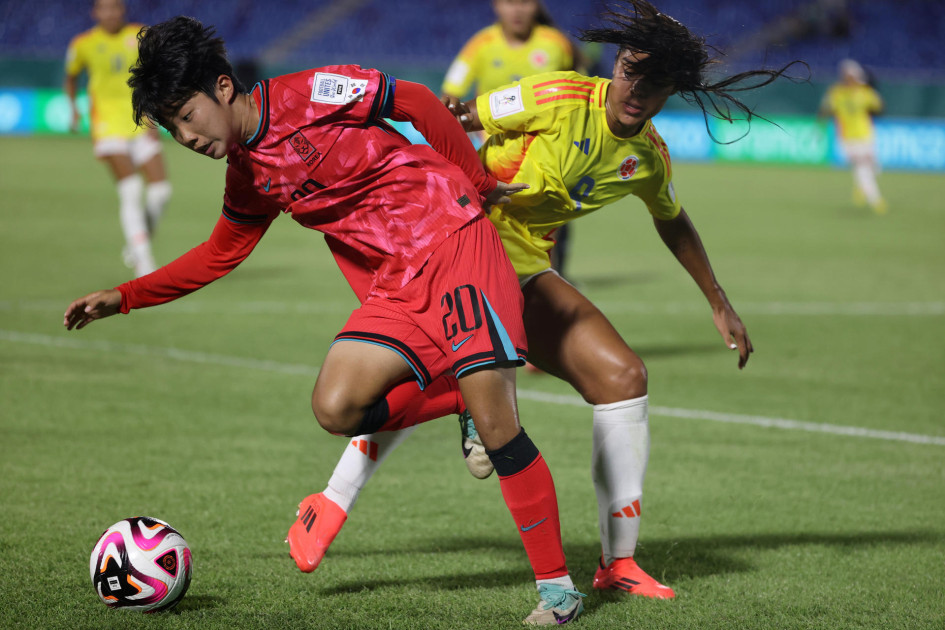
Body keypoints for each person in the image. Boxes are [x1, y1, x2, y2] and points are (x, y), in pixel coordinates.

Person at [62, 16, 584, 626]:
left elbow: (412, 100)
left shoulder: (309, 92)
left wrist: (474, 181)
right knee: (336, 407)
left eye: (187, 115)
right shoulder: (248, 176)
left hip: (452, 237)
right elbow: (218, 255)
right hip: (398, 284)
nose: (186, 136)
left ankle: (557, 591)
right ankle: (459, 395)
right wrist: (124, 296)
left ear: (223, 88)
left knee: (500, 431)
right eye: (173, 127)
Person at [303, 0, 803, 601]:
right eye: (629, 71)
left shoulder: (646, 157)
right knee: (435, 372)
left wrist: (718, 300)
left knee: (623, 377)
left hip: (522, 266)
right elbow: (466, 115)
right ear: (615, 65)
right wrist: (457, 122)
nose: (635, 89)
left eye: (654, 82)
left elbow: (671, 218)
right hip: (460, 245)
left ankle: (619, 563)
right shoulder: (559, 95)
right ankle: (332, 499)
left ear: (674, 89)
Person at [441, 0, 579, 276]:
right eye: (509, 3)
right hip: (492, 150)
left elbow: (577, 93)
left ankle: (555, 278)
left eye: (525, 3)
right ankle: (485, 275)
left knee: (553, 215)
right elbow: (450, 93)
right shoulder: (481, 44)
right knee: (487, 218)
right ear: (496, 6)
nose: (517, 10)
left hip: (547, 150)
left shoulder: (557, 44)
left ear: (536, 6)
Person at [65, 0, 172, 277]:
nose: (110, 13)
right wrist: (74, 110)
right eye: (104, 8)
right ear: (95, 12)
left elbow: (155, 76)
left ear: (123, 11)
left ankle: (136, 243)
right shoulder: (83, 44)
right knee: (132, 189)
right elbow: (71, 76)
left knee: (161, 192)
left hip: (139, 123)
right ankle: (144, 263)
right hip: (107, 127)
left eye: (115, 7)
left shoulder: (140, 37)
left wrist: (153, 111)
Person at [819, 59, 886, 214]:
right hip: (847, 138)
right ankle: (875, 200)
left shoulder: (865, 92)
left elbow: (879, 108)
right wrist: (820, 124)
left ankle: (862, 187)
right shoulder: (837, 93)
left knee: (872, 166)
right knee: (862, 167)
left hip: (865, 134)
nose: (850, 79)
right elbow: (826, 109)